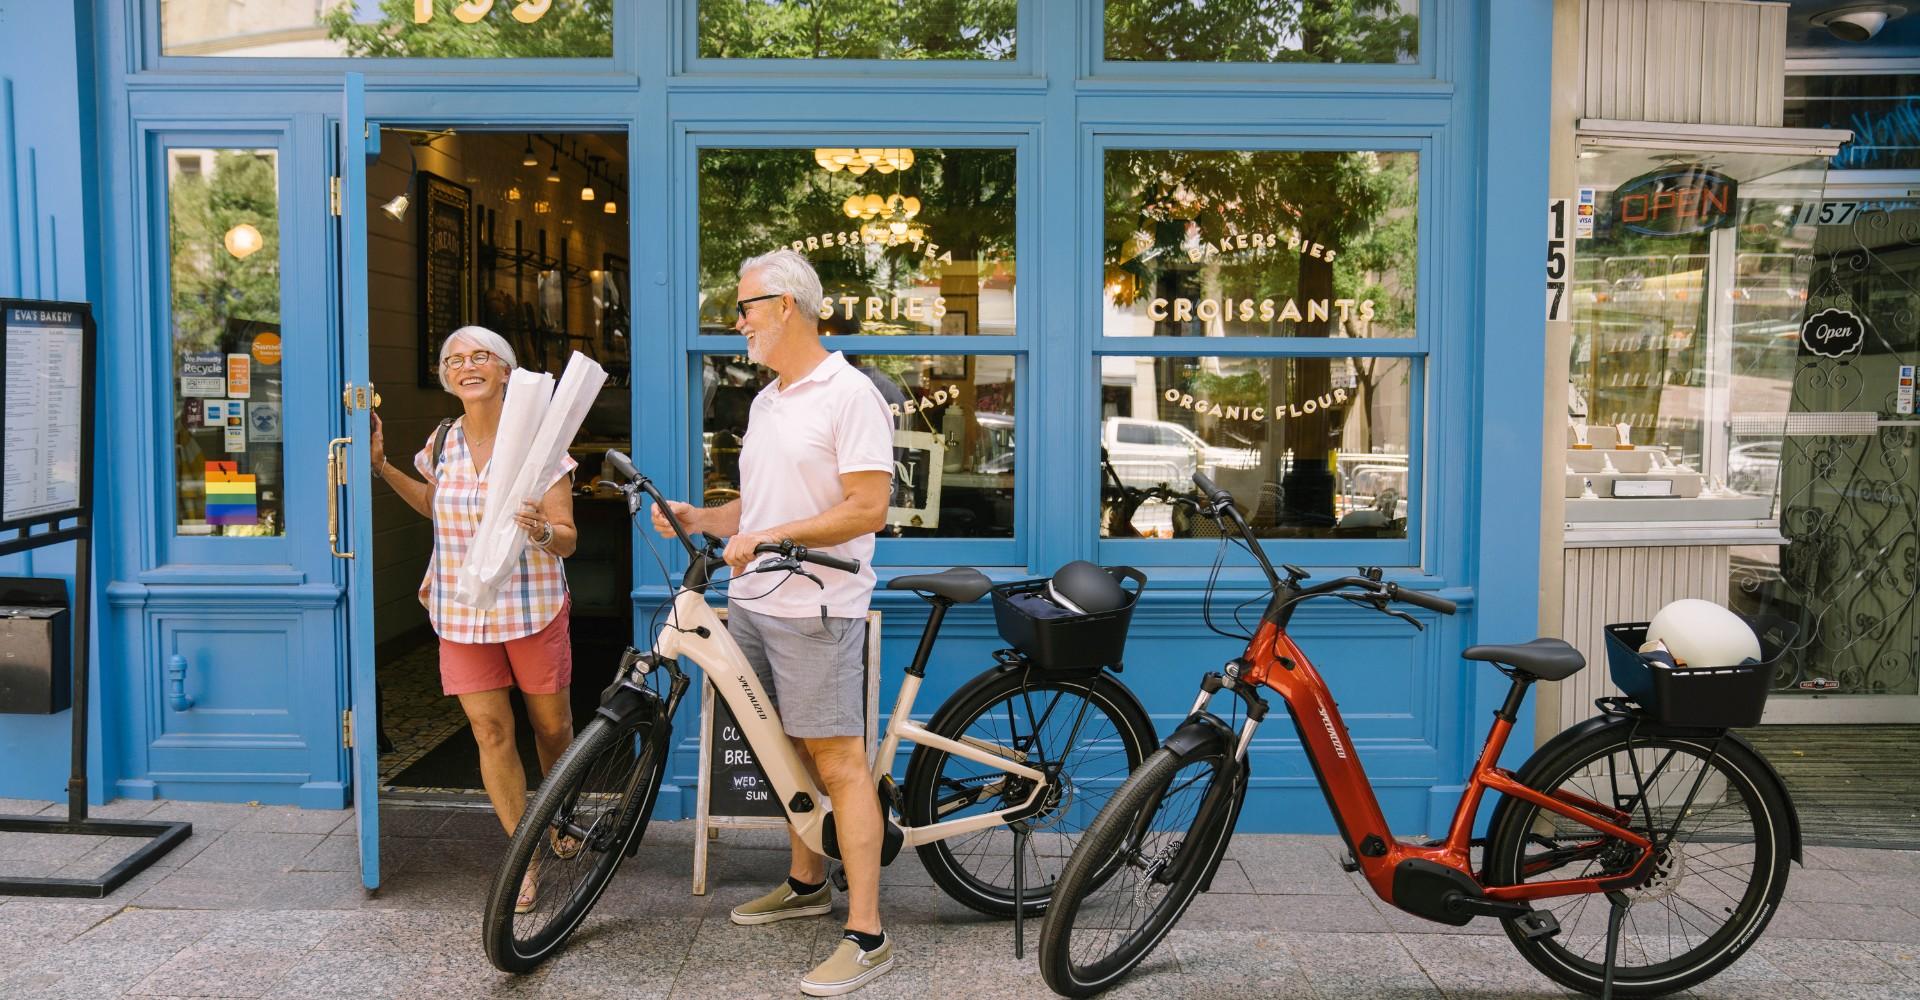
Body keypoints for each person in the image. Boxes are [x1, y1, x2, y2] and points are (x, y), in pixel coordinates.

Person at [652, 249, 896, 997]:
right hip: (754, 601)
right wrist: (706, 516)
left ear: (787, 305)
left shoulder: (848, 394)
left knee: (838, 763)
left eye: (746, 306)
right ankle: (805, 881)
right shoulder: (769, 398)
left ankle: (867, 934)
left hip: (815, 607)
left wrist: (768, 536)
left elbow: (868, 507)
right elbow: (758, 514)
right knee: (780, 745)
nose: (739, 321)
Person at [370, 325, 580, 915]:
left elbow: (566, 539)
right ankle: (525, 858)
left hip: (532, 607)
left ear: (507, 371)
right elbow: (435, 508)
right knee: (490, 732)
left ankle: (559, 813)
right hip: (461, 611)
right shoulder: (441, 443)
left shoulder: (541, 446)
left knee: (552, 731)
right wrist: (384, 468)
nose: (466, 365)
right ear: (445, 376)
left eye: (481, 355)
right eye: (454, 359)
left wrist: (540, 529)